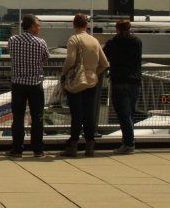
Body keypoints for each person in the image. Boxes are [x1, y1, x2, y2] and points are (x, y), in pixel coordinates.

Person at [60, 13, 109, 157]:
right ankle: (90, 146)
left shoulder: (74, 39)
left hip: (76, 82)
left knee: (77, 114)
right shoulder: (94, 41)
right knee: (89, 114)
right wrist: (94, 72)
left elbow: (70, 59)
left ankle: (73, 145)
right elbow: (105, 63)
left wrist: (64, 73)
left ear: (74, 25)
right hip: (91, 81)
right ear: (86, 25)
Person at [6, 15, 49, 158]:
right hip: (36, 83)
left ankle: (17, 149)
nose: (39, 28)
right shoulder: (41, 42)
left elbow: (11, 55)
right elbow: (45, 58)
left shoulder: (12, 40)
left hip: (18, 83)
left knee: (18, 117)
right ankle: (38, 149)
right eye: (37, 26)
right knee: (37, 117)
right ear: (31, 27)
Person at [103, 18, 142, 154]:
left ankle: (129, 144)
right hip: (135, 81)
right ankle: (128, 142)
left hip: (119, 80)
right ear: (129, 28)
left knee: (123, 114)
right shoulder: (137, 41)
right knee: (130, 114)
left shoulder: (113, 42)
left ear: (117, 28)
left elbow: (104, 56)